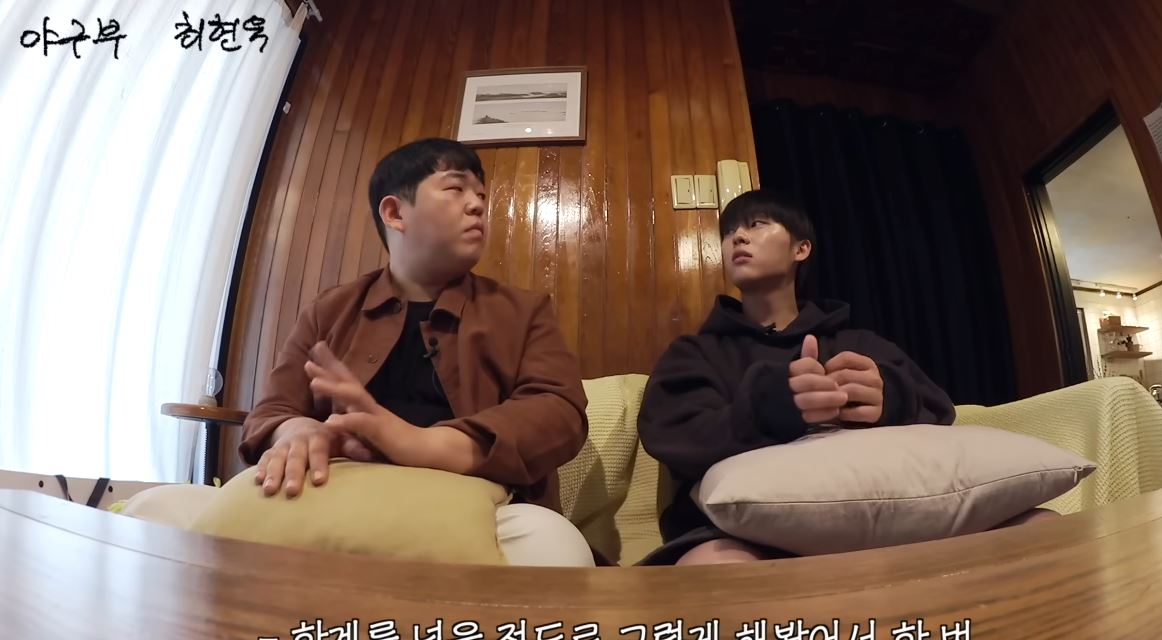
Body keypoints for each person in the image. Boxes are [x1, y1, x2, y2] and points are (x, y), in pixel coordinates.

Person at [637, 190, 1052, 567]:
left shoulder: (858, 342)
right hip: (741, 535)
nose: (737, 238)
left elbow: (939, 409)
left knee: (1043, 527)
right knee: (716, 567)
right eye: (729, 232)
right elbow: (673, 435)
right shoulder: (696, 352)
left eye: (756, 224)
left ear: (801, 249)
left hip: (893, 521)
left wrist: (890, 398)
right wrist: (769, 408)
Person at [237, 137, 594, 567]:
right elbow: (272, 410)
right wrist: (294, 431)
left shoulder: (523, 310)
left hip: (484, 504)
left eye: (481, 195)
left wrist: (422, 443)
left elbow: (559, 414)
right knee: (171, 504)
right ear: (394, 213)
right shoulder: (328, 311)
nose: (478, 205)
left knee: (556, 548)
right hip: (338, 489)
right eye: (455, 188)